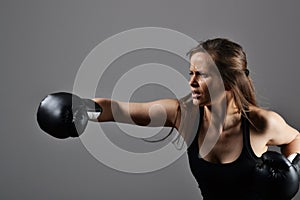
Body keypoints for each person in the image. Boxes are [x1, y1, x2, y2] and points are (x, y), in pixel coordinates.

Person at [37, 38, 300, 199]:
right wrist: (80, 108)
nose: (192, 82)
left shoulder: (262, 123)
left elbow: (295, 139)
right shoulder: (182, 115)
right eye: (191, 73)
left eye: (202, 75)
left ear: (228, 81)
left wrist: (292, 169)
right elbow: (118, 109)